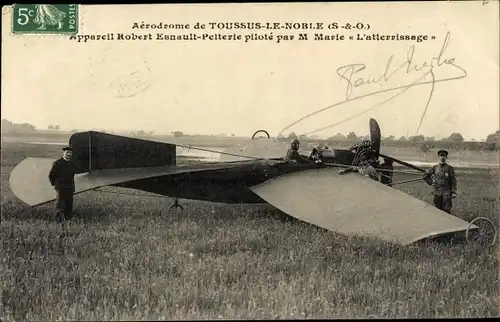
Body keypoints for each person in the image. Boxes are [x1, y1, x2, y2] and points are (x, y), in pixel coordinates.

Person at [48, 146, 79, 221]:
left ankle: (67, 219)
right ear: (63, 153)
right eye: (67, 152)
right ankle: (58, 221)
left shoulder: (71, 165)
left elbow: (75, 173)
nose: (69, 154)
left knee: (69, 205)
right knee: (59, 205)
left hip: (70, 188)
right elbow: (51, 175)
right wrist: (56, 185)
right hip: (61, 188)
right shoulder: (57, 163)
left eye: (70, 153)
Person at [422, 149, 457, 214]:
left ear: (446, 157)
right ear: (439, 157)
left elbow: (453, 180)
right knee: (438, 209)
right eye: (441, 156)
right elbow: (425, 176)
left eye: (444, 156)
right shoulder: (435, 168)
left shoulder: (450, 168)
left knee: (447, 209)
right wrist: (432, 183)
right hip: (437, 191)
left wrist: (453, 191)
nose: (442, 157)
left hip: (447, 191)